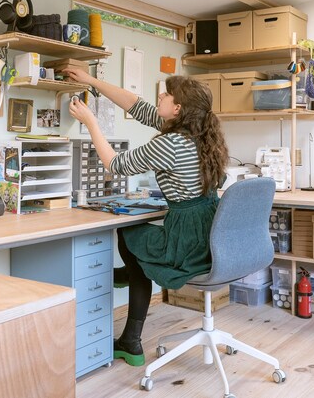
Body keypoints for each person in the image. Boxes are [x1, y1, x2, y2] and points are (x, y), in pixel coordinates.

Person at [63, 68, 228, 367]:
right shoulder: (200, 133)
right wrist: (92, 80)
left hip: (187, 241)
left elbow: (115, 164)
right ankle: (130, 329)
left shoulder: (169, 143)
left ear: (177, 108)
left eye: (166, 95)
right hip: (209, 235)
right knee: (137, 244)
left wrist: (91, 123)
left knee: (130, 234)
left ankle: (130, 291)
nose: (160, 96)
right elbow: (135, 105)